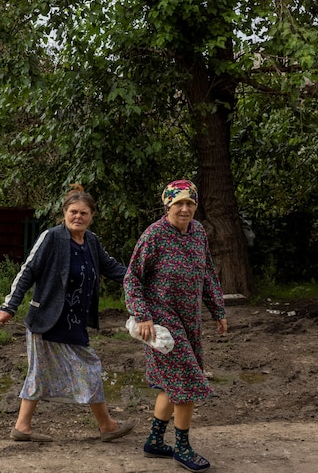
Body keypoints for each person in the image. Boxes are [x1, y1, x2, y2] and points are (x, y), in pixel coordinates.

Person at [0, 184, 137, 443]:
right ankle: (106, 425)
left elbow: (111, 268)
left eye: (83, 213)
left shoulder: (91, 242)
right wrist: (9, 307)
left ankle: (23, 427)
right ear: (64, 213)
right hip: (47, 320)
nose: (78, 217)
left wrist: (140, 279)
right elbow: (28, 271)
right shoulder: (52, 237)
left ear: (92, 215)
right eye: (73, 211)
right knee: (75, 368)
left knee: (47, 371)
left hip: (74, 323)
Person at [122, 179, 228, 472]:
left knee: (172, 383)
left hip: (190, 321)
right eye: (178, 203)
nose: (184, 209)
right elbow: (132, 279)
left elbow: (207, 272)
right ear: (167, 205)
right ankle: (182, 447)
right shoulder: (154, 235)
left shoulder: (198, 233)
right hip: (162, 324)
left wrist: (217, 309)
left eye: (190, 203)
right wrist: (142, 314)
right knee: (187, 383)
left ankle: (155, 441)